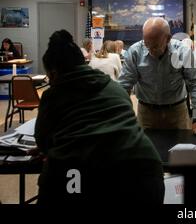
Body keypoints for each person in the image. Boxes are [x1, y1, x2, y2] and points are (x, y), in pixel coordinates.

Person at [34, 30, 164, 205]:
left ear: (54, 73)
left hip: (79, 174)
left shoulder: (52, 96)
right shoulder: (116, 88)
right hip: (144, 170)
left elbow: (43, 143)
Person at [118, 17, 196, 137]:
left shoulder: (183, 52)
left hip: (177, 112)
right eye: (146, 44)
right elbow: (124, 86)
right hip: (146, 113)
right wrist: (123, 117)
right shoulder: (134, 52)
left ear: (168, 39)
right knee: (148, 152)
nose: (150, 50)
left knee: (181, 151)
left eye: (155, 46)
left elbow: (195, 84)